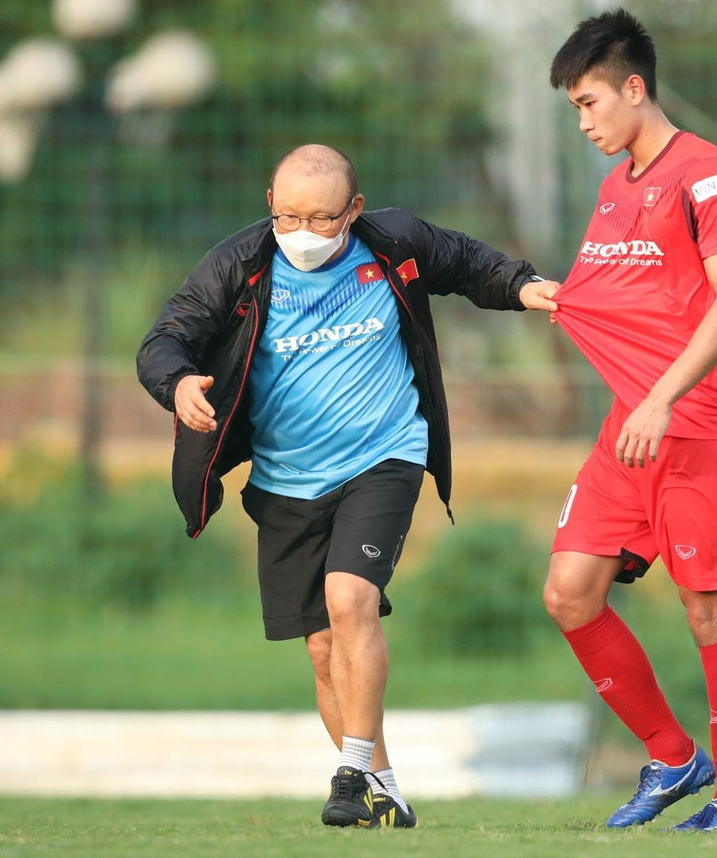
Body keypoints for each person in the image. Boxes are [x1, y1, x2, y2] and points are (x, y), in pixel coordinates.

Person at [136, 143, 557, 829]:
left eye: (324, 219)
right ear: (270, 202)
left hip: (382, 456)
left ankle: (350, 771)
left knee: (350, 598)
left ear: (354, 211)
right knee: (324, 646)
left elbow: (466, 263)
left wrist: (523, 285)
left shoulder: (393, 243)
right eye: (291, 215)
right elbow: (164, 340)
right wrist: (178, 382)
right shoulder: (236, 267)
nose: (304, 233)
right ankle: (381, 786)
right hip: (286, 481)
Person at [536, 9, 717, 832]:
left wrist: (664, 396)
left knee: (711, 615)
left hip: (698, 426)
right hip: (631, 430)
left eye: (591, 102)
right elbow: (615, 293)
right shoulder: (611, 188)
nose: (585, 120)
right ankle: (674, 758)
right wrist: (549, 295)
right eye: (574, 109)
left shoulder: (706, 173)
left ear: (635, 88)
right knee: (569, 593)